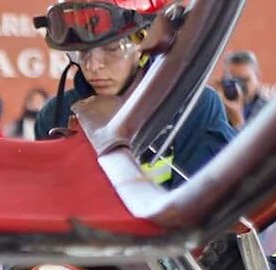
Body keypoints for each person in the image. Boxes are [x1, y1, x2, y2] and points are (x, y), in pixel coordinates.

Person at [34, 0, 235, 189]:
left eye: (111, 48)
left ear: (145, 43)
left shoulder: (193, 106)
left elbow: (202, 207)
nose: (93, 66)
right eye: (83, 52)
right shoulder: (54, 115)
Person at [220, 51, 269, 129]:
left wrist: (238, 121)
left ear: (258, 78)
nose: (239, 86)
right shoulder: (217, 107)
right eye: (233, 80)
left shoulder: (270, 111)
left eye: (245, 80)